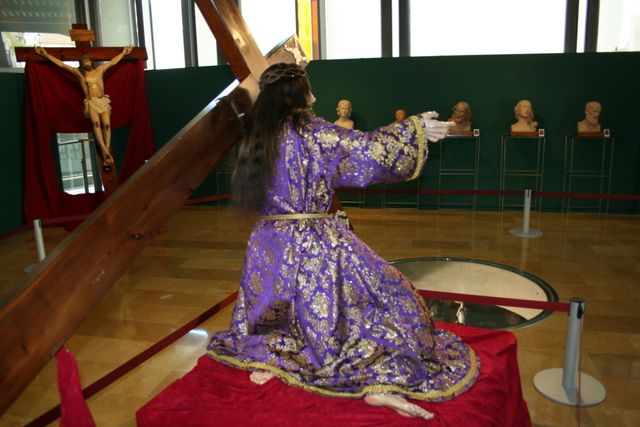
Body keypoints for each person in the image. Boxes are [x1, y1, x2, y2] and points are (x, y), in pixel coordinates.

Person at [206, 62, 479, 421]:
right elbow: (365, 149)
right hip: (313, 240)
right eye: (309, 88)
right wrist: (414, 129)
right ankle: (378, 380)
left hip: (267, 243)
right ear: (299, 94)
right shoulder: (311, 132)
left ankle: (272, 357)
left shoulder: (256, 135)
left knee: (277, 307)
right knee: (388, 292)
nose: (314, 95)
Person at [35, 45, 133, 171]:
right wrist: (46, 54)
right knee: (96, 124)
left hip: (102, 100)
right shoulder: (80, 74)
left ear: (91, 61)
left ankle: (106, 150)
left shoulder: (100, 70)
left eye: (88, 61)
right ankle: (105, 151)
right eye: (84, 62)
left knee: (107, 125)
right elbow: (62, 65)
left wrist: (124, 53)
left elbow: (112, 62)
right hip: (91, 101)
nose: (86, 63)